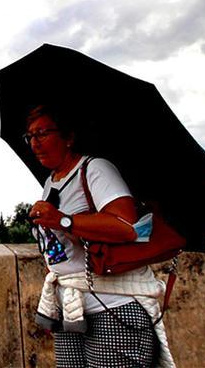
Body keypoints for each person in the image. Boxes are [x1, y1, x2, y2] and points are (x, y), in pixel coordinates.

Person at [25, 105, 174, 368]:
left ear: (68, 137)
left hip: (113, 306)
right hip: (72, 309)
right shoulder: (51, 181)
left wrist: (62, 219)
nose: (35, 143)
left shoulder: (95, 169)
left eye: (43, 133)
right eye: (30, 136)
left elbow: (125, 226)